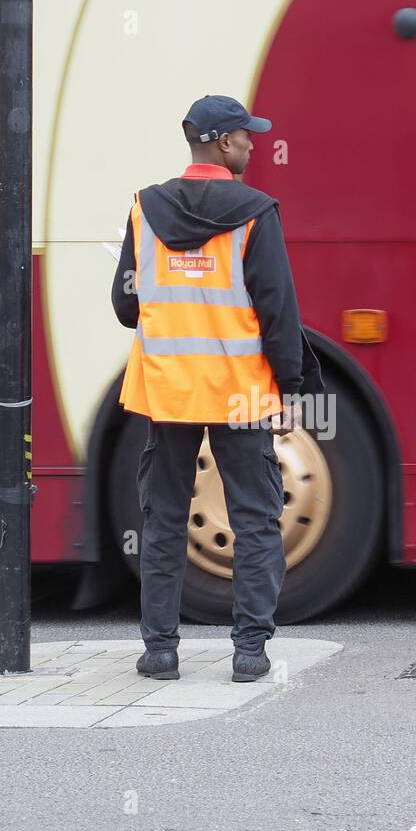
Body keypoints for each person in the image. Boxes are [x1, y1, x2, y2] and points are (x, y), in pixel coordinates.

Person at [110, 94, 323, 683]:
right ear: (224, 144)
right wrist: (291, 389)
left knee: (165, 520)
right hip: (241, 391)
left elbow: (126, 305)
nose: (253, 145)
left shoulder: (144, 209)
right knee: (255, 520)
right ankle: (249, 652)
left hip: (169, 390)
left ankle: (160, 652)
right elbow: (278, 311)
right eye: (246, 137)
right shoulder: (257, 211)